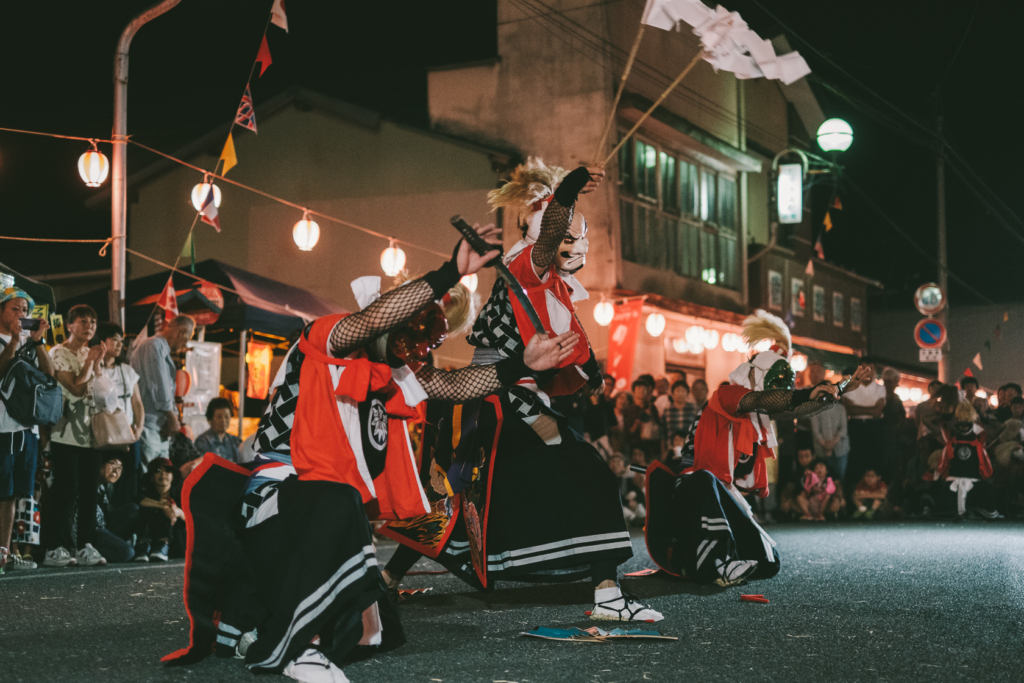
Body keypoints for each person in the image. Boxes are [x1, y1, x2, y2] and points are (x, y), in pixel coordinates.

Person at [166, 223, 584, 681]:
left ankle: (274, 620)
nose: (418, 357)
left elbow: (453, 385)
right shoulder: (327, 337)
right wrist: (448, 272)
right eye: (412, 340)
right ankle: (291, 646)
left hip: (317, 503)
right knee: (335, 501)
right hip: (273, 494)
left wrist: (521, 365)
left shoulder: (390, 371)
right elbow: (370, 322)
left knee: (373, 624)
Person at [380, 161, 662, 624]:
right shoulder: (525, 261)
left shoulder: (552, 284)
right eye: (564, 233)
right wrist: (569, 191)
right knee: (586, 471)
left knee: (458, 499)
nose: (570, 243)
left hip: (505, 397)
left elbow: (569, 347)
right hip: (503, 397)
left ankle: (387, 580)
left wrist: (591, 376)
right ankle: (608, 594)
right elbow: (549, 233)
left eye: (575, 234)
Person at [644, 310, 872, 586]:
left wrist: (843, 387)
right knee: (704, 479)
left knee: (768, 562)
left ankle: (725, 558)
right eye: (774, 387)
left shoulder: (759, 410)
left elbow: (799, 405)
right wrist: (802, 393)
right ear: (754, 377)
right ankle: (717, 564)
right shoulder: (728, 395)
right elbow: (771, 400)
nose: (778, 393)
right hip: (692, 486)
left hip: (722, 492)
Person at [45, 304, 108, 568]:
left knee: (89, 490)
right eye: (84, 321)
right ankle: (55, 546)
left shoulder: (89, 353)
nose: (90, 325)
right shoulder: (58, 353)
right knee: (66, 488)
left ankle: (85, 545)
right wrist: (91, 361)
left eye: (93, 321)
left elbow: (101, 392)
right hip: (65, 432)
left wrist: (98, 363)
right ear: (69, 325)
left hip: (91, 433)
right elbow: (75, 387)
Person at [0, 288, 53, 572]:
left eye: (25, 310)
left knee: (14, 494)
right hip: (1, 429)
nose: (21, 315)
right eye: (14, 309)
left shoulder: (28, 343)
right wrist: (13, 340)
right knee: (2, 492)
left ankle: (4, 553)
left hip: (25, 429)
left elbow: (49, 375)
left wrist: (38, 342)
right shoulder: (6, 341)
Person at [131, 315, 195, 468]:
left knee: (163, 477)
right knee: (149, 477)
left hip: (159, 426)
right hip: (148, 424)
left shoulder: (161, 349)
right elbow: (157, 384)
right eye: (186, 339)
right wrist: (170, 415)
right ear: (181, 333)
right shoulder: (153, 345)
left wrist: (170, 418)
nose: (184, 344)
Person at [91, 323, 144, 505]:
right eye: (114, 339)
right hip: (101, 433)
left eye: (121, 341)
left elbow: (137, 403)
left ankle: (125, 519)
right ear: (102, 341)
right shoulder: (91, 369)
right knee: (99, 475)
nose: (120, 344)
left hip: (126, 434)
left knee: (128, 476)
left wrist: (139, 428)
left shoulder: (128, 371)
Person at [932, 401, 998, 520]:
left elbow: (1000, 426)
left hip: (972, 485)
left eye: (966, 422)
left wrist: (984, 418)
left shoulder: (979, 438)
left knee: (987, 491)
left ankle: (968, 510)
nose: (963, 426)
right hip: (955, 484)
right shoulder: (950, 438)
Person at [85, 454, 140, 563]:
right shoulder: (86, 484)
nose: (116, 470)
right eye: (112, 464)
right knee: (128, 553)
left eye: (120, 468)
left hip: (103, 528)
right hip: (91, 534)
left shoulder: (103, 487)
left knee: (134, 509)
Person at [842, 360, 887, 485]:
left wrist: (858, 409)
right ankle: (855, 492)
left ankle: (876, 491)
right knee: (856, 459)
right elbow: (850, 410)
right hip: (855, 426)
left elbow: (877, 412)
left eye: (870, 368)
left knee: (875, 459)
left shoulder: (880, 388)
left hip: (875, 427)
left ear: (875, 371)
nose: (867, 372)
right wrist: (870, 409)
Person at [134, 457, 185, 561]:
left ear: (172, 476)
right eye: (158, 471)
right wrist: (162, 505)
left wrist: (177, 512)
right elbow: (139, 500)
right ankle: (143, 544)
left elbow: (194, 519)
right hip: (152, 540)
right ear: (151, 477)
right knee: (147, 508)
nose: (163, 474)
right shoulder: (147, 494)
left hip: (177, 542)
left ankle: (163, 544)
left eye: (167, 471)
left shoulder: (181, 495)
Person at [194, 397, 242, 463]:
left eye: (226, 417)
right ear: (210, 420)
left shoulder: (236, 441)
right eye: (219, 417)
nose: (223, 421)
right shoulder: (202, 441)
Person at [660, 379, 695, 453]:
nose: (681, 394)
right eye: (678, 391)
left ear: (687, 394)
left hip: (690, 450)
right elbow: (663, 433)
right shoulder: (667, 411)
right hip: (671, 450)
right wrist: (663, 451)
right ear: (672, 394)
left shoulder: (694, 409)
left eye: (683, 391)